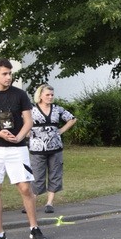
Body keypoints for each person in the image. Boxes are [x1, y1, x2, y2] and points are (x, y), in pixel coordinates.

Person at [0, 58, 47, 239]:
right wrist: (0, 133)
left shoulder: (20, 95)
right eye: (4, 74)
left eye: (10, 73)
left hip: (17, 148)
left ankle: (34, 227)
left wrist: (20, 136)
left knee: (24, 187)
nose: (8, 77)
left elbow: (28, 121)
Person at [28, 84, 77, 214]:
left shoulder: (57, 109)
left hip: (55, 148)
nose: (50, 97)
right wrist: (27, 134)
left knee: (55, 174)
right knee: (36, 175)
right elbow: (22, 122)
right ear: (40, 96)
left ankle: (49, 203)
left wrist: (61, 130)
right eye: (47, 95)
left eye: (52, 95)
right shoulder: (31, 109)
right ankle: (31, 203)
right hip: (37, 148)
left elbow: (72, 119)